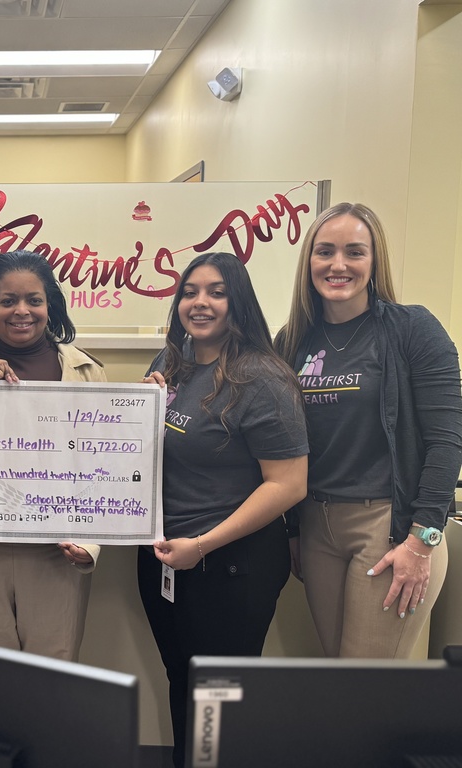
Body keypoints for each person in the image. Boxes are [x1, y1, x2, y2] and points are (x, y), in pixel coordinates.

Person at [141, 251, 308, 767]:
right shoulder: (169, 363)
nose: (200, 302)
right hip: (168, 557)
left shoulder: (262, 378)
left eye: (216, 291)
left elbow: (288, 484)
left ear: (238, 302)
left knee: (218, 696)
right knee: (181, 679)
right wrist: (138, 407)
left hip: (232, 564)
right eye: (190, 291)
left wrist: (204, 545)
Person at [275, 202, 462, 658]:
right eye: (325, 252)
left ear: (374, 262)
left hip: (391, 526)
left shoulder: (413, 329)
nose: (338, 265)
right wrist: (293, 532)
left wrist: (423, 540)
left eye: (354, 252)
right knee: (341, 676)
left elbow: (448, 438)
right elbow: (281, 445)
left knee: (366, 682)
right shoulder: (292, 340)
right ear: (309, 263)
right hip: (318, 524)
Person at [0, 250, 103, 660]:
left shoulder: (86, 371)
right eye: (8, 301)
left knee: (54, 676)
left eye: (34, 300)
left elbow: (102, 467)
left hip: (57, 551)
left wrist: (90, 544)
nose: (21, 311)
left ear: (51, 306)